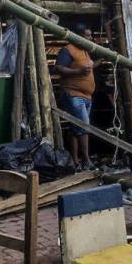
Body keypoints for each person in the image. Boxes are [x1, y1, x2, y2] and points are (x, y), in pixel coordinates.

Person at [55, 24, 98, 170]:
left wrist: (101, 60)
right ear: (78, 36)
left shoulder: (85, 51)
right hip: (73, 94)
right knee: (84, 127)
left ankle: (75, 160)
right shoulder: (68, 50)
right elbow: (59, 68)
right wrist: (78, 71)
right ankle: (86, 161)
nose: (90, 38)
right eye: (87, 35)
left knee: (76, 128)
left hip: (86, 96)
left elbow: (88, 69)